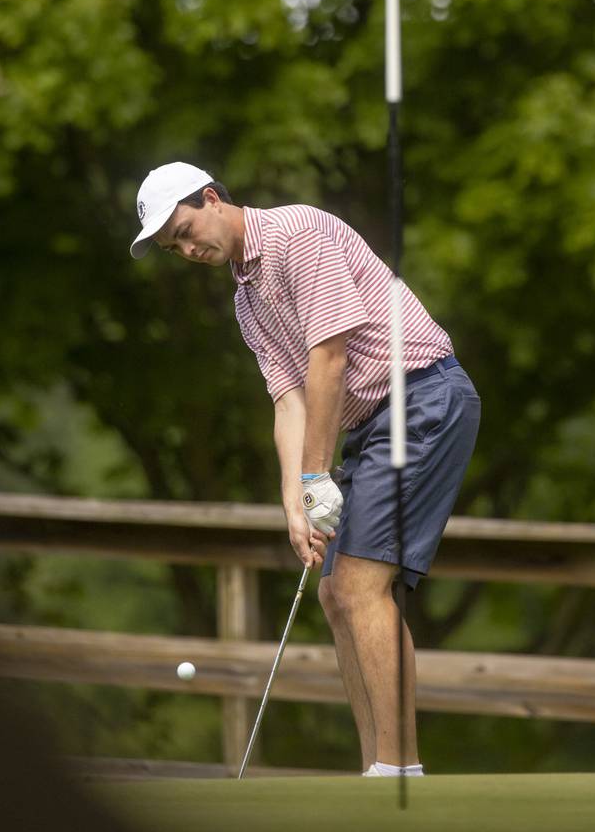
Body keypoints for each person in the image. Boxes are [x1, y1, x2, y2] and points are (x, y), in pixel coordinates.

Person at [130, 161, 481, 777]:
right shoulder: (247, 299)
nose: (187, 248)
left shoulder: (299, 234)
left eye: (186, 229)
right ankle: (377, 765)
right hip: (375, 422)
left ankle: (400, 773)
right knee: (334, 593)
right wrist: (294, 499)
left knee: (359, 586)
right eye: (173, 246)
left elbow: (330, 358)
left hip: (424, 396)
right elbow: (289, 400)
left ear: (212, 199)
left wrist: (318, 476)